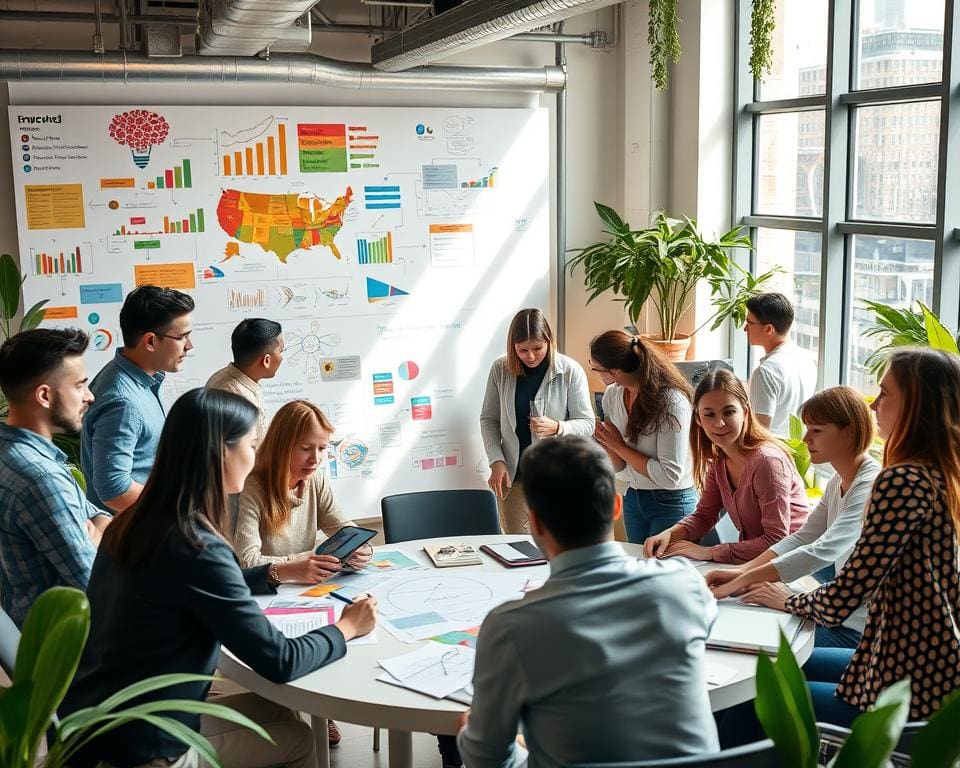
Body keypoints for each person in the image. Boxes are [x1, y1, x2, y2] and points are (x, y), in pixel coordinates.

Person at [60, 388, 377, 768]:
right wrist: (347, 627)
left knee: (280, 714)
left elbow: (202, 586)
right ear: (221, 451)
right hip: (146, 749)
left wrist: (270, 575)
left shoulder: (134, 522)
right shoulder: (198, 545)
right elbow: (281, 660)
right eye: (251, 444)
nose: (255, 456)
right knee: (298, 738)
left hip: (98, 723)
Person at [457, 436, 719, 768]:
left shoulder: (510, 626)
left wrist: (505, 744)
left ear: (534, 523)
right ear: (616, 506)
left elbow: (487, 759)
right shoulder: (684, 583)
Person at [738, 349, 960, 725]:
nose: (874, 405)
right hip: (922, 666)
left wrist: (789, 600)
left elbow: (844, 596)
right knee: (775, 668)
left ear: (914, 404)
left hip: (907, 685)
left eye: (885, 394)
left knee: (755, 697)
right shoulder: (936, 474)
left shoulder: (900, 480)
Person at [705, 386, 880, 648]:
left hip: (856, 631)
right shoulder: (838, 480)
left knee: (763, 654)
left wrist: (742, 580)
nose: (806, 438)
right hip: (836, 617)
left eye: (816, 430)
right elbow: (803, 537)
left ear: (849, 432)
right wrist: (741, 572)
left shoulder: (870, 483)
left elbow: (822, 550)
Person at [0, 328, 111, 626]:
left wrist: (97, 526)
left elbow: (99, 515)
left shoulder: (12, 452)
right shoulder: (40, 477)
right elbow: (94, 584)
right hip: (67, 649)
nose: (90, 396)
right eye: (80, 386)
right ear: (45, 395)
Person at [644, 369, 808, 564]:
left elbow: (777, 540)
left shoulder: (767, 461)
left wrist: (712, 552)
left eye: (729, 412)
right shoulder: (719, 461)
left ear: (745, 412)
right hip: (759, 564)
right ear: (698, 419)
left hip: (794, 566)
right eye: (709, 414)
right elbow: (704, 516)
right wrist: (669, 535)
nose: (719, 423)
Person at [81, 285, 195, 513]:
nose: (189, 346)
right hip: (134, 538)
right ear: (150, 342)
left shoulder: (139, 378)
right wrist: (174, 510)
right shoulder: (123, 401)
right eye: (182, 337)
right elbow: (114, 488)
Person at [480, 308, 594, 533]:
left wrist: (558, 427)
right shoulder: (500, 369)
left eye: (537, 348)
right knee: (517, 547)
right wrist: (496, 460)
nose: (530, 356)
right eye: (523, 350)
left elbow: (587, 423)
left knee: (560, 543)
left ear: (549, 341)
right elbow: (488, 419)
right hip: (515, 477)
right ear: (512, 346)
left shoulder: (570, 371)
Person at [235, 400, 373, 582]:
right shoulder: (251, 488)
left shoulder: (315, 479)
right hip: (263, 594)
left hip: (303, 589)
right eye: (306, 448)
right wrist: (296, 565)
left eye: (322, 448)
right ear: (281, 446)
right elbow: (248, 562)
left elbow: (340, 526)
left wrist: (363, 547)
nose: (315, 459)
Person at [590, 330, 697, 543]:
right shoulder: (613, 395)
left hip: (672, 501)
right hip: (634, 496)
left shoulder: (671, 402)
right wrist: (604, 443)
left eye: (596, 369)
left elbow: (670, 475)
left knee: (664, 574)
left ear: (615, 371)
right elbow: (620, 467)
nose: (596, 374)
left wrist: (618, 446)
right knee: (639, 570)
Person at [744, 292, 816, 435]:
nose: (745, 328)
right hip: (798, 451)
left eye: (750, 323)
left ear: (769, 329)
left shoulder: (766, 372)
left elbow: (759, 433)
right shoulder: (807, 360)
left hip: (773, 451)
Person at [206, 318, 284, 442]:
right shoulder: (238, 400)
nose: (282, 358)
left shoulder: (222, 377)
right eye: (281, 351)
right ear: (266, 360)